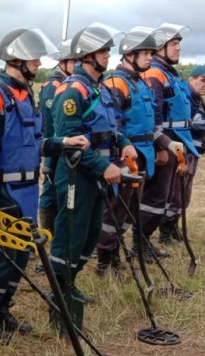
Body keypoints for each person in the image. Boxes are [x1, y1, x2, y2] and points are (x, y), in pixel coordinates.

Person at [0, 28, 58, 344]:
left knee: (21, 253)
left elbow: (32, 142)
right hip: (5, 192)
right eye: (34, 58)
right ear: (17, 59)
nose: (38, 63)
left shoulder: (26, 95)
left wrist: (59, 144)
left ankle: (3, 307)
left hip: (27, 190)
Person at [49, 23, 136, 329]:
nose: (108, 56)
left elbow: (110, 128)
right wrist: (103, 168)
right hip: (75, 176)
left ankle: (70, 283)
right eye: (103, 51)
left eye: (108, 51)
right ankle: (58, 297)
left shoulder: (98, 88)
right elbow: (68, 144)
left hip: (96, 176)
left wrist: (124, 145)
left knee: (89, 236)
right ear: (86, 56)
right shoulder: (72, 91)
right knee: (70, 236)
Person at [95, 26, 166, 276]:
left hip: (143, 155)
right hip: (125, 156)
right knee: (115, 209)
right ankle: (104, 258)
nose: (150, 57)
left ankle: (114, 251)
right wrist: (118, 158)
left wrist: (161, 146)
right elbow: (113, 124)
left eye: (151, 53)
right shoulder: (117, 83)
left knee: (128, 211)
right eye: (145, 53)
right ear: (129, 55)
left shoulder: (142, 83)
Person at [138, 23, 196, 256]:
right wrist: (159, 148)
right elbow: (154, 114)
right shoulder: (154, 74)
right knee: (156, 197)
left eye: (179, 44)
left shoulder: (169, 73)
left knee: (166, 197)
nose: (178, 48)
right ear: (160, 48)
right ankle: (140, 243)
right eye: (173, 44)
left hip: (176, 144)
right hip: (165, 144)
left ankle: (144, 242)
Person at [170, 63, 205, 233]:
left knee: (184, 193)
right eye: (203, 80)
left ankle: (173, 227)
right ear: (191, 79)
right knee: (176, 193)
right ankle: (167, 231)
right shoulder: (184, 99)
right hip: (182, 153)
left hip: (193, 153)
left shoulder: (197, 99)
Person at [38, 38, 77, 238]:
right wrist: (49, 160)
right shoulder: (52, 86)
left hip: (66, 146)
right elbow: (49, 124)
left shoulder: (71, 84)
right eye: (74, 61)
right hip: (54, 148)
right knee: (50, 193)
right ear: (63, 62)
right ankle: (47, 237)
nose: (78, 64)